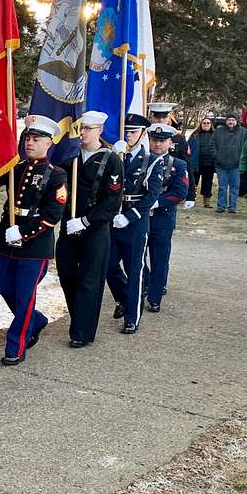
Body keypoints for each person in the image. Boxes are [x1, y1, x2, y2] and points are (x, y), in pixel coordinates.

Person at [0, 115, 67, 365]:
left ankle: (16, 346)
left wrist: (23, 233)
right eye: (27, 138)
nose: (30, 143)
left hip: (34, 245)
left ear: (49, 143)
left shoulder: (56, 175)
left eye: (36, 139)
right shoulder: (16, 167)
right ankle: (36, 320)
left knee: (25, 296)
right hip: (8, 241)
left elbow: (53, 214)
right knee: (4, 288)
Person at [56, 111, 124, 347]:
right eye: (81, 128)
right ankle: (79, 318)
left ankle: (82, 333)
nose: (83, 132)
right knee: (66, 273)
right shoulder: (70, 156)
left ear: (100, 131)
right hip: (69, 225)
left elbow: (112, 201)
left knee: (89, 279)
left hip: (94, 228)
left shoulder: (110, 159)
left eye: (88, 128)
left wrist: (86, 221)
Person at [106, 114, 163, 334]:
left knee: (134, 270)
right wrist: (113, 157)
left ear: (143, 134)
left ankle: (132, 317)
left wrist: (129, 217)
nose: (128, 135)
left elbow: (151, 196)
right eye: (126, 131)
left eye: (133, 132)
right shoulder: (117, 156)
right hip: (113, 219)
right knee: (108, 266)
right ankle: (123, 298)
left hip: (135, 222)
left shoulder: (153, 161)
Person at [144, 124, 190, 312]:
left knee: (159, 257)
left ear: (170, 142)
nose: (157, 144)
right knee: (137, 256)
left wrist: (157, 202)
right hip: (141, 216)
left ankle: (155, 297)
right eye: (154, 140)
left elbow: (180, 192)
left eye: (161, 141)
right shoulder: (142, 161)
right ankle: (146, 283)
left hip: (162, 218)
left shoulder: (178, 165)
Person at [215, 115, 247, 213]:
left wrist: (242, 160)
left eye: (233, 120)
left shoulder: (243, 132)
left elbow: (246, 148)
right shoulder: (218, 131)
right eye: (229, 120)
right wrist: (217, 156)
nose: (231, 122)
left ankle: (232, 206)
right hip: (221, 164)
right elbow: (212, 145)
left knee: (235, 187)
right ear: (226, 121)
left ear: (237, 121)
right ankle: (221, 206)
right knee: (222, 187)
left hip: (236, 165)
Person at [187, 117, 217, 207]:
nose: (206, 124)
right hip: (196, 163)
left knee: (207, 184)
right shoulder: (195, 135)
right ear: (201, 124)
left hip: (209, 164)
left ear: (211, 125)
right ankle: (191, 200)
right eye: (204, 123)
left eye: (208, 123)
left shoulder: (215, 135)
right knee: (193, 183)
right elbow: (188, 148)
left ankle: (206, 202)